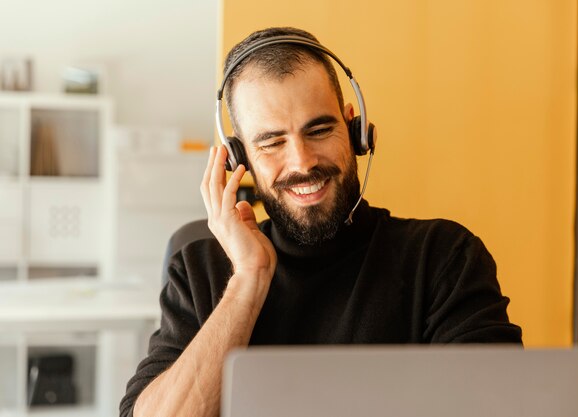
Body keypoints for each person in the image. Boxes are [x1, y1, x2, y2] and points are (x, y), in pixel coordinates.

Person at [120, 26, 522, 417]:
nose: (303, 162)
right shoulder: (199, 270)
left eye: (319, 129)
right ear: (238, 159)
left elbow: (501, 406)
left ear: (355, 129)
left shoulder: (442, 257)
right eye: (272, 142)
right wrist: (248, 280)